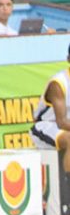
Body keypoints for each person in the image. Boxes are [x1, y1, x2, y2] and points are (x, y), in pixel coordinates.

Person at [31, 44, 70, 176]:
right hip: (46, 126)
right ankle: (68, 185)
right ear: (68, 59)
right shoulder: (58, 83)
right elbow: (62, 122)